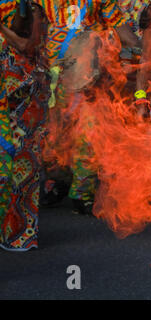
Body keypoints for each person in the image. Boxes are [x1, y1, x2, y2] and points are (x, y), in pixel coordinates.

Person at [35, 0, 139, 215]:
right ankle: (57, 181)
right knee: (53, 134)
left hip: (91, 72)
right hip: (53, 72)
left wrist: (143, 51)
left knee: (88, 133)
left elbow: (121, 26)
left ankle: (82, 193)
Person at [0, 0, 50, 251]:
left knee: (22, 169)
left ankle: (19, 233)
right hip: (13, 97)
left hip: (24, 99)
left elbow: (25, 45)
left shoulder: (30, 9)